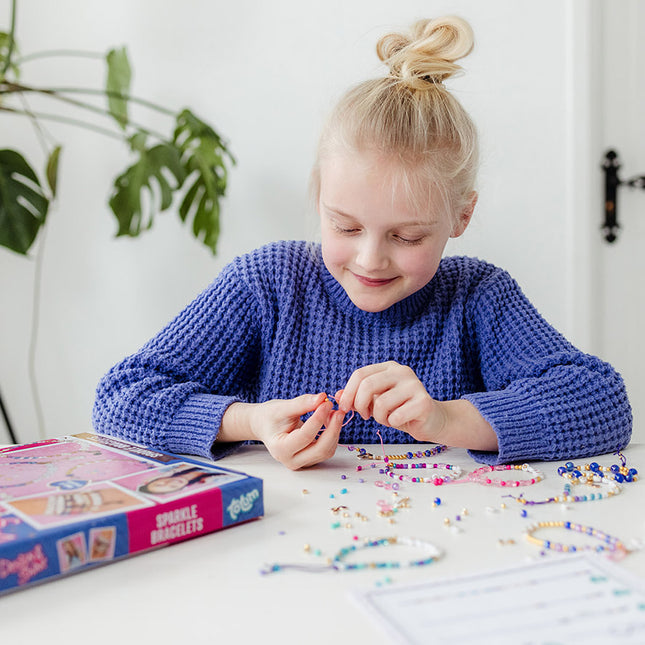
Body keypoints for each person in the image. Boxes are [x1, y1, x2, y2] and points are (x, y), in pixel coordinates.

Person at [92, 16, 631, 471]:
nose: (370, 259)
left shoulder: (478, 296)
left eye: (408, 235)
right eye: (345, 227)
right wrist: (251, 420)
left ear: (461, 215)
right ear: (319, 195)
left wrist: (445, 420)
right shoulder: (267, 284)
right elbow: (121, 398)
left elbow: (603, 404)